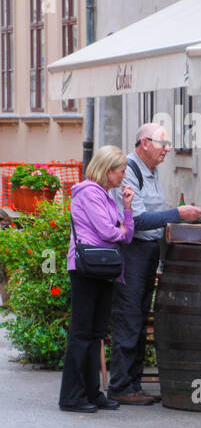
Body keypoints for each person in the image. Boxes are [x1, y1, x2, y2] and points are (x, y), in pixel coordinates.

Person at [109, 123, 201, 405]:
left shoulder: (150, 171)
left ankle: (133, 384)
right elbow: (136, 220)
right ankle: (120, 386)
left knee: (138, 316)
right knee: (129, 316)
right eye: (162, 143)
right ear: (144, 144)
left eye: (168, 143)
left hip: (147, 250)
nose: (168, 148)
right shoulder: (129, 169)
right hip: (132, 251)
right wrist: (177, 213)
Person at [60, 147, 136, 413]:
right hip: (86, 268)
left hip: (104, 268)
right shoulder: (90, 193)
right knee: (81, 333)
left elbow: (125, 235)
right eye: (121, 170)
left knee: (96, 334)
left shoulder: (107, 197)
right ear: (107, 170)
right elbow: (107, 231)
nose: (124, 176)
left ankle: (92, 393)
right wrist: (120, 228)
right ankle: (72, 396)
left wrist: (127, 209)